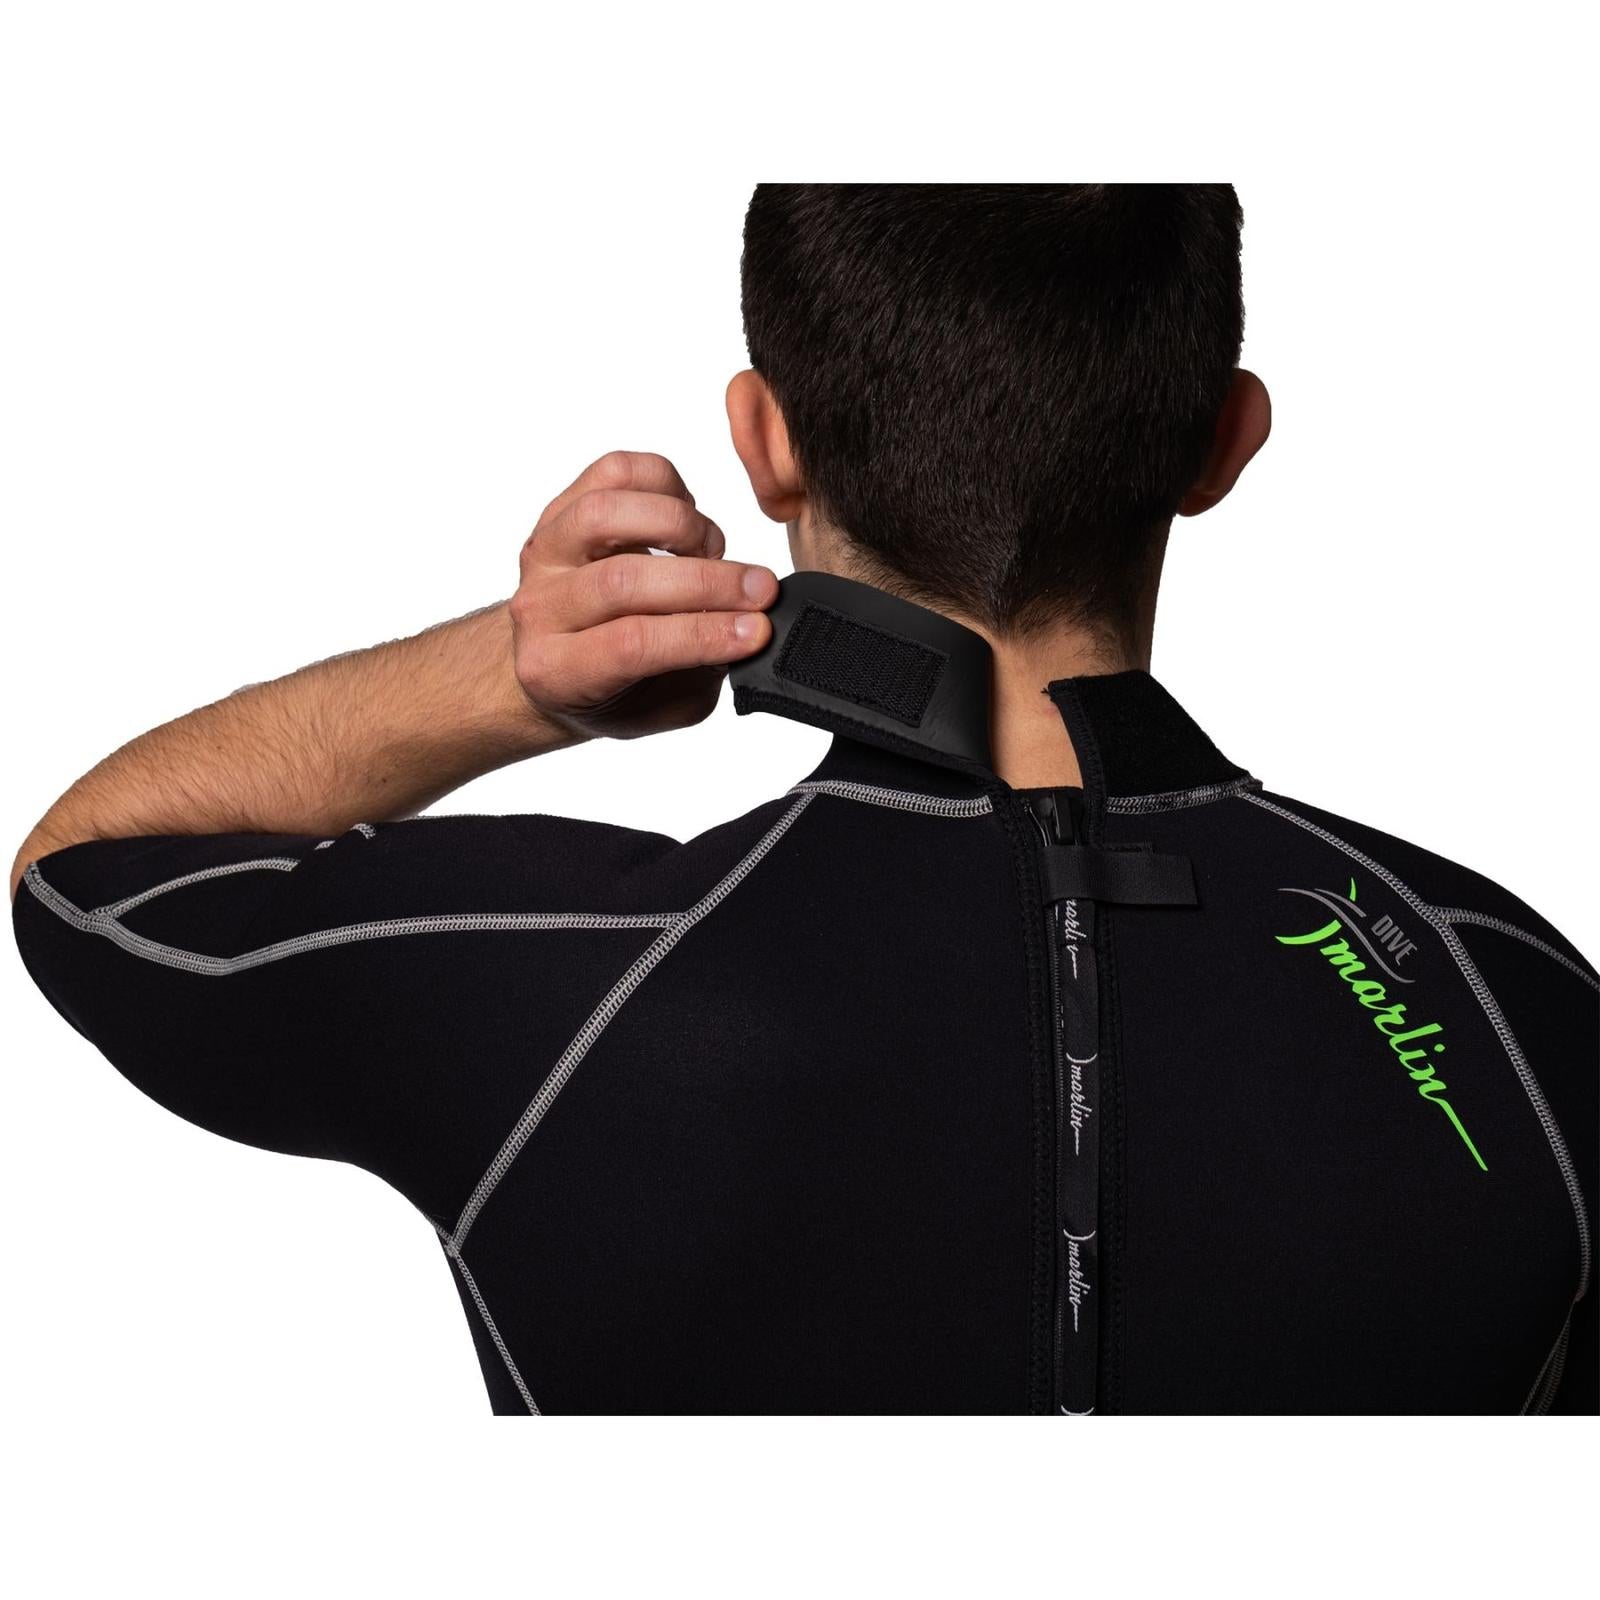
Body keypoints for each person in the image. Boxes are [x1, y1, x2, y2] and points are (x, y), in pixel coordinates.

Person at [11, 184, 1595, 1415]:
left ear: (763, 438)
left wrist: (520, 670)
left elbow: (89, 873)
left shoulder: (555, 985)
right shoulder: (1519, 1009)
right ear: (1223, 441)